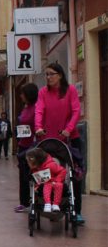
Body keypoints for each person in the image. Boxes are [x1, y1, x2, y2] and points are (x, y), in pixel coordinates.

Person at [34, 62, 84, 223]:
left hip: (70, 138)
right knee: (46, 171)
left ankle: (76, 210)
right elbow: (39, 110)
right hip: (48, 139)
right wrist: (38, 127)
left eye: (51, 74)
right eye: (46, 74)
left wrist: (69, 128)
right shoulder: (43, 92)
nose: (48, 77)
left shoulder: (70, 91)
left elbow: (76, 111)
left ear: (60, 75)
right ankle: (45, 202)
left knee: (74, 174)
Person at [15, 83, 38, 213]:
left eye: (23, 93)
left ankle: (38, 201)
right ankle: (24, 202)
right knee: (23, 176)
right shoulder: (26, 107)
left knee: (35, 175)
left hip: (33, 146)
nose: (21, 96)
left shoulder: (36, 108)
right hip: (22, 145)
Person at [26, 148, 66, 213]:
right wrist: (37, 186)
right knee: (47, 185)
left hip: (56, 182)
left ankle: (56, 204)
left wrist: (57, 180)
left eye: (29, 162)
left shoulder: (51, 165)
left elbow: (62, 171)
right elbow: (41, 180)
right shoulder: (36, 169)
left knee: (58, 185)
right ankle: (48, 204)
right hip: (46, 183)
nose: (28, 164)